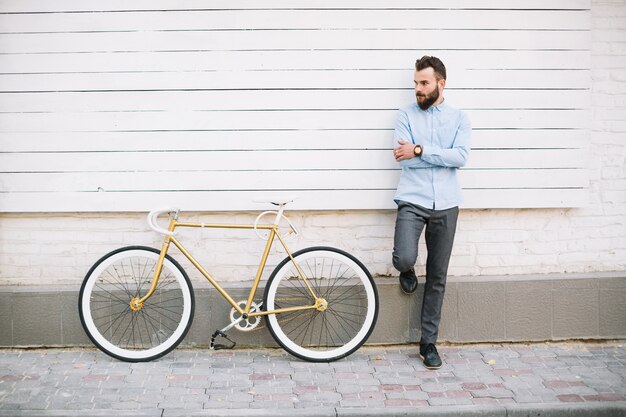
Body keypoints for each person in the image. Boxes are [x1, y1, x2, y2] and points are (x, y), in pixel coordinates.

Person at [391, 56, 471, 370]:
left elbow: (461, 157)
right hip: (412, 198)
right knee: (404, 257)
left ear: (441, 83)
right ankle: (406, 271)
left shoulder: (459, 118)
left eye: (424, 83)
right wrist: (435, 155)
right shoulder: (405, 115)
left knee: (437, 277)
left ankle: (428, 343)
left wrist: (421, 149)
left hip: (447, 204)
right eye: (415, 84)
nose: (418, 90)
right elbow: (403, 158)